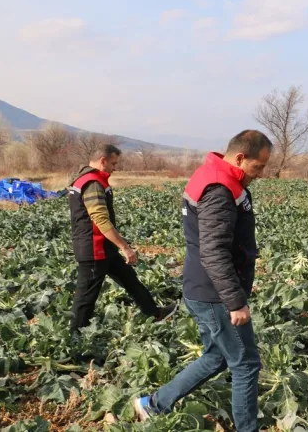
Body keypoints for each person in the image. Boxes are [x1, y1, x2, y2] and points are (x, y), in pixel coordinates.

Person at [134, 130, 271, 432]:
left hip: (204, 288)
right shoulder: (219, 189)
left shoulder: (213, 174)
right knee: (246, 364)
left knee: (216, 357)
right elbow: (213, 251)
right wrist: (235, 301)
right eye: (258, 167)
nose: (261, 174)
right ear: (239, 158)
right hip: (215, 296)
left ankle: (152, 405)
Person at [68, 144, 176, 334]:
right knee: (86, 297)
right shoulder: (92, 183)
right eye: (113, 163)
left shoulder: (90, 179)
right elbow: (100, 219)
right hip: (93, 249)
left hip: (104, 248)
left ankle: (155, 314)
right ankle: (75, 338)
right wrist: (124, 247)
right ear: (102, 161)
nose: (115, 168)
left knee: (130, 280)